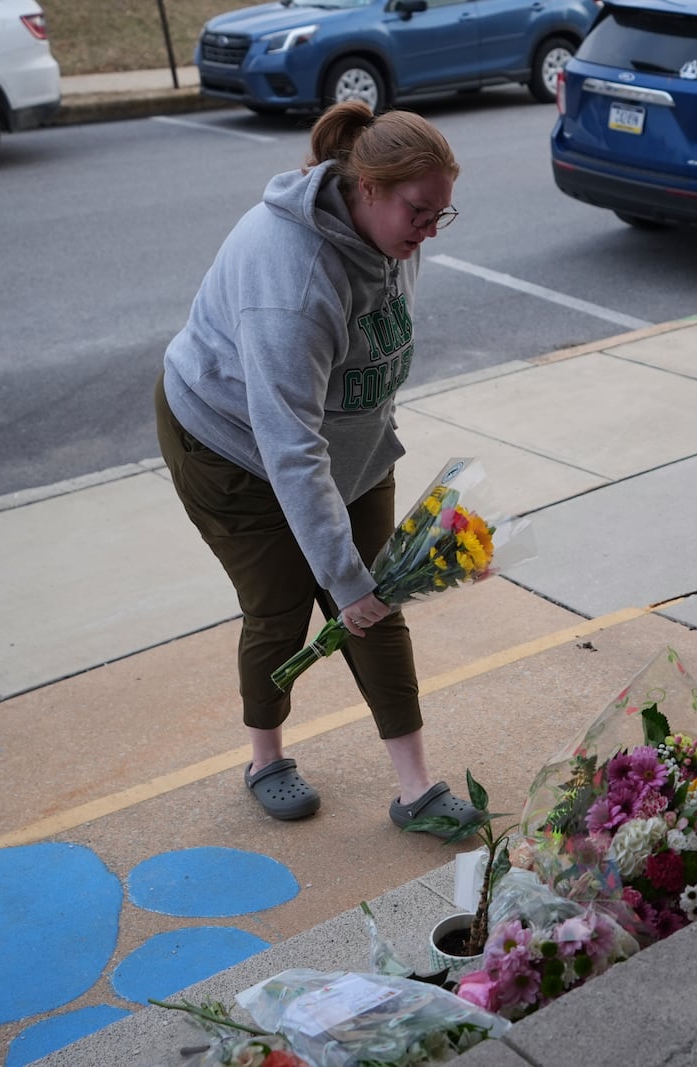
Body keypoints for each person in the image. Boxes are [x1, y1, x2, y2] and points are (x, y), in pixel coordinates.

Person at [153, 101, 477, 833]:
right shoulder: (291, 284)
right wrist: (340, 572)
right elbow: (287, 443)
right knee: (283, 605)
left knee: (376, 605)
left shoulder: (395, 237)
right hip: (229, 442)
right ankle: (264, 759)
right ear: (367, 188)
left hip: (338, 440)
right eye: (420, 212)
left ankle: (416, 789)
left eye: (441, 215)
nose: (429, 231)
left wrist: (362, 577)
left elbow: (377, 360)